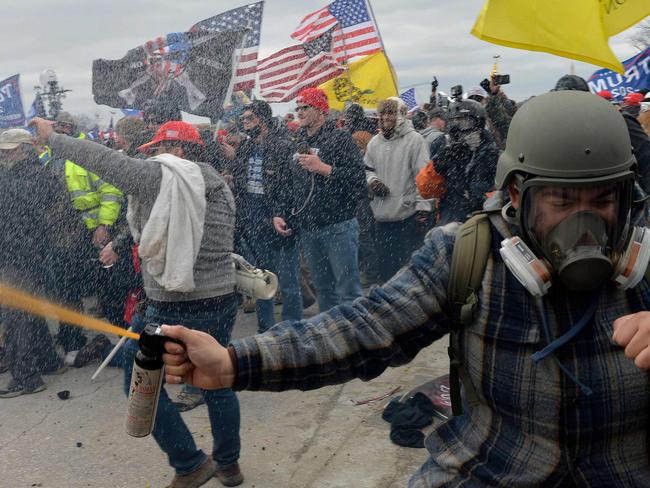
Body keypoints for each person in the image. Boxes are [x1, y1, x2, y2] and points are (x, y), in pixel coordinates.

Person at [160, 90, 650, 486]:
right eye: (561, 199)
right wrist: (236, 362)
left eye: (604, 198)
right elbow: (364, 326)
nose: (585, 221)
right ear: (517, 195)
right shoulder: (468, 255)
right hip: (492, 471)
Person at [30, 117, 244, 487]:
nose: (155, 158)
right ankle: (228, 463)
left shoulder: (167, 177)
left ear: (178, 151)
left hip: (175, 305)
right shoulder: (213, 182)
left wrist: (55, 139)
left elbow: (110, 164)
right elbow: (167, 221)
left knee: (140, 385)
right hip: (220, 298)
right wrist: (121, 239)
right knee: (215, 380)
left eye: (160, 150)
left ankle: (189, 462)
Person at [273, 87, 366, 311]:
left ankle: (354, 340)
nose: (300, 112)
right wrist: (280, 212)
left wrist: (324, 168)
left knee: (348, 291)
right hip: (309, 227)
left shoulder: (340, 138)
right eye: (298, 108)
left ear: (321, 110)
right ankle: (331, 338)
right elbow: (289, 183)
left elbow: (358, 179)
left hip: (338, 225)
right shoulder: (298, 141)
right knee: (324, 289)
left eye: (305, 107)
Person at [0, 129, 66, 397]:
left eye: (9, 150)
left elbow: (15, 217)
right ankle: (49, 361)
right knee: (32, 309)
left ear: (24, 149)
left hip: (16, 253)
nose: (4, 154)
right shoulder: (39, 174)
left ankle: (26, 377)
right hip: (31, 252)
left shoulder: (16, 178)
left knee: (17, 315)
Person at [229, 101, 302, 332]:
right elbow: (243, 182)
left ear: (262, 119)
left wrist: (278, 213)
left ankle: (293, 330)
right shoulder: (246, 148)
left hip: (279, 220)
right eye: (244, 120)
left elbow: (289, 186)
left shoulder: (282, 145)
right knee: (261, 281)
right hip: (253, 220)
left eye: (249, 118)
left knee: (288, 282)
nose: (245, 123)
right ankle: (266, 330)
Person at [365, 97, 431, 281]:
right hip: (381, 217)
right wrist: (373, 182)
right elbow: (367, 170)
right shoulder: (374, 143)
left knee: (407, 273)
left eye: (391, 113)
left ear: (401, 115)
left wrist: (423, 209)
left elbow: (424, 176)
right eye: (383, 113)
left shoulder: (415, 140)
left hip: (407, 217)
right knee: (385, 272)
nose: (386, 117)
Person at [418, 98, 498, 225]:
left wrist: (480, 199)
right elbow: (425, 189)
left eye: (464, 122)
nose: (458, 128)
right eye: (454, 122)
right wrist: (439, 164)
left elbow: (501, 193)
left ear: (478, 123)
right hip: (450, 219)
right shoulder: (445, 146)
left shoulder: (491, 152)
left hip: (483, 221)